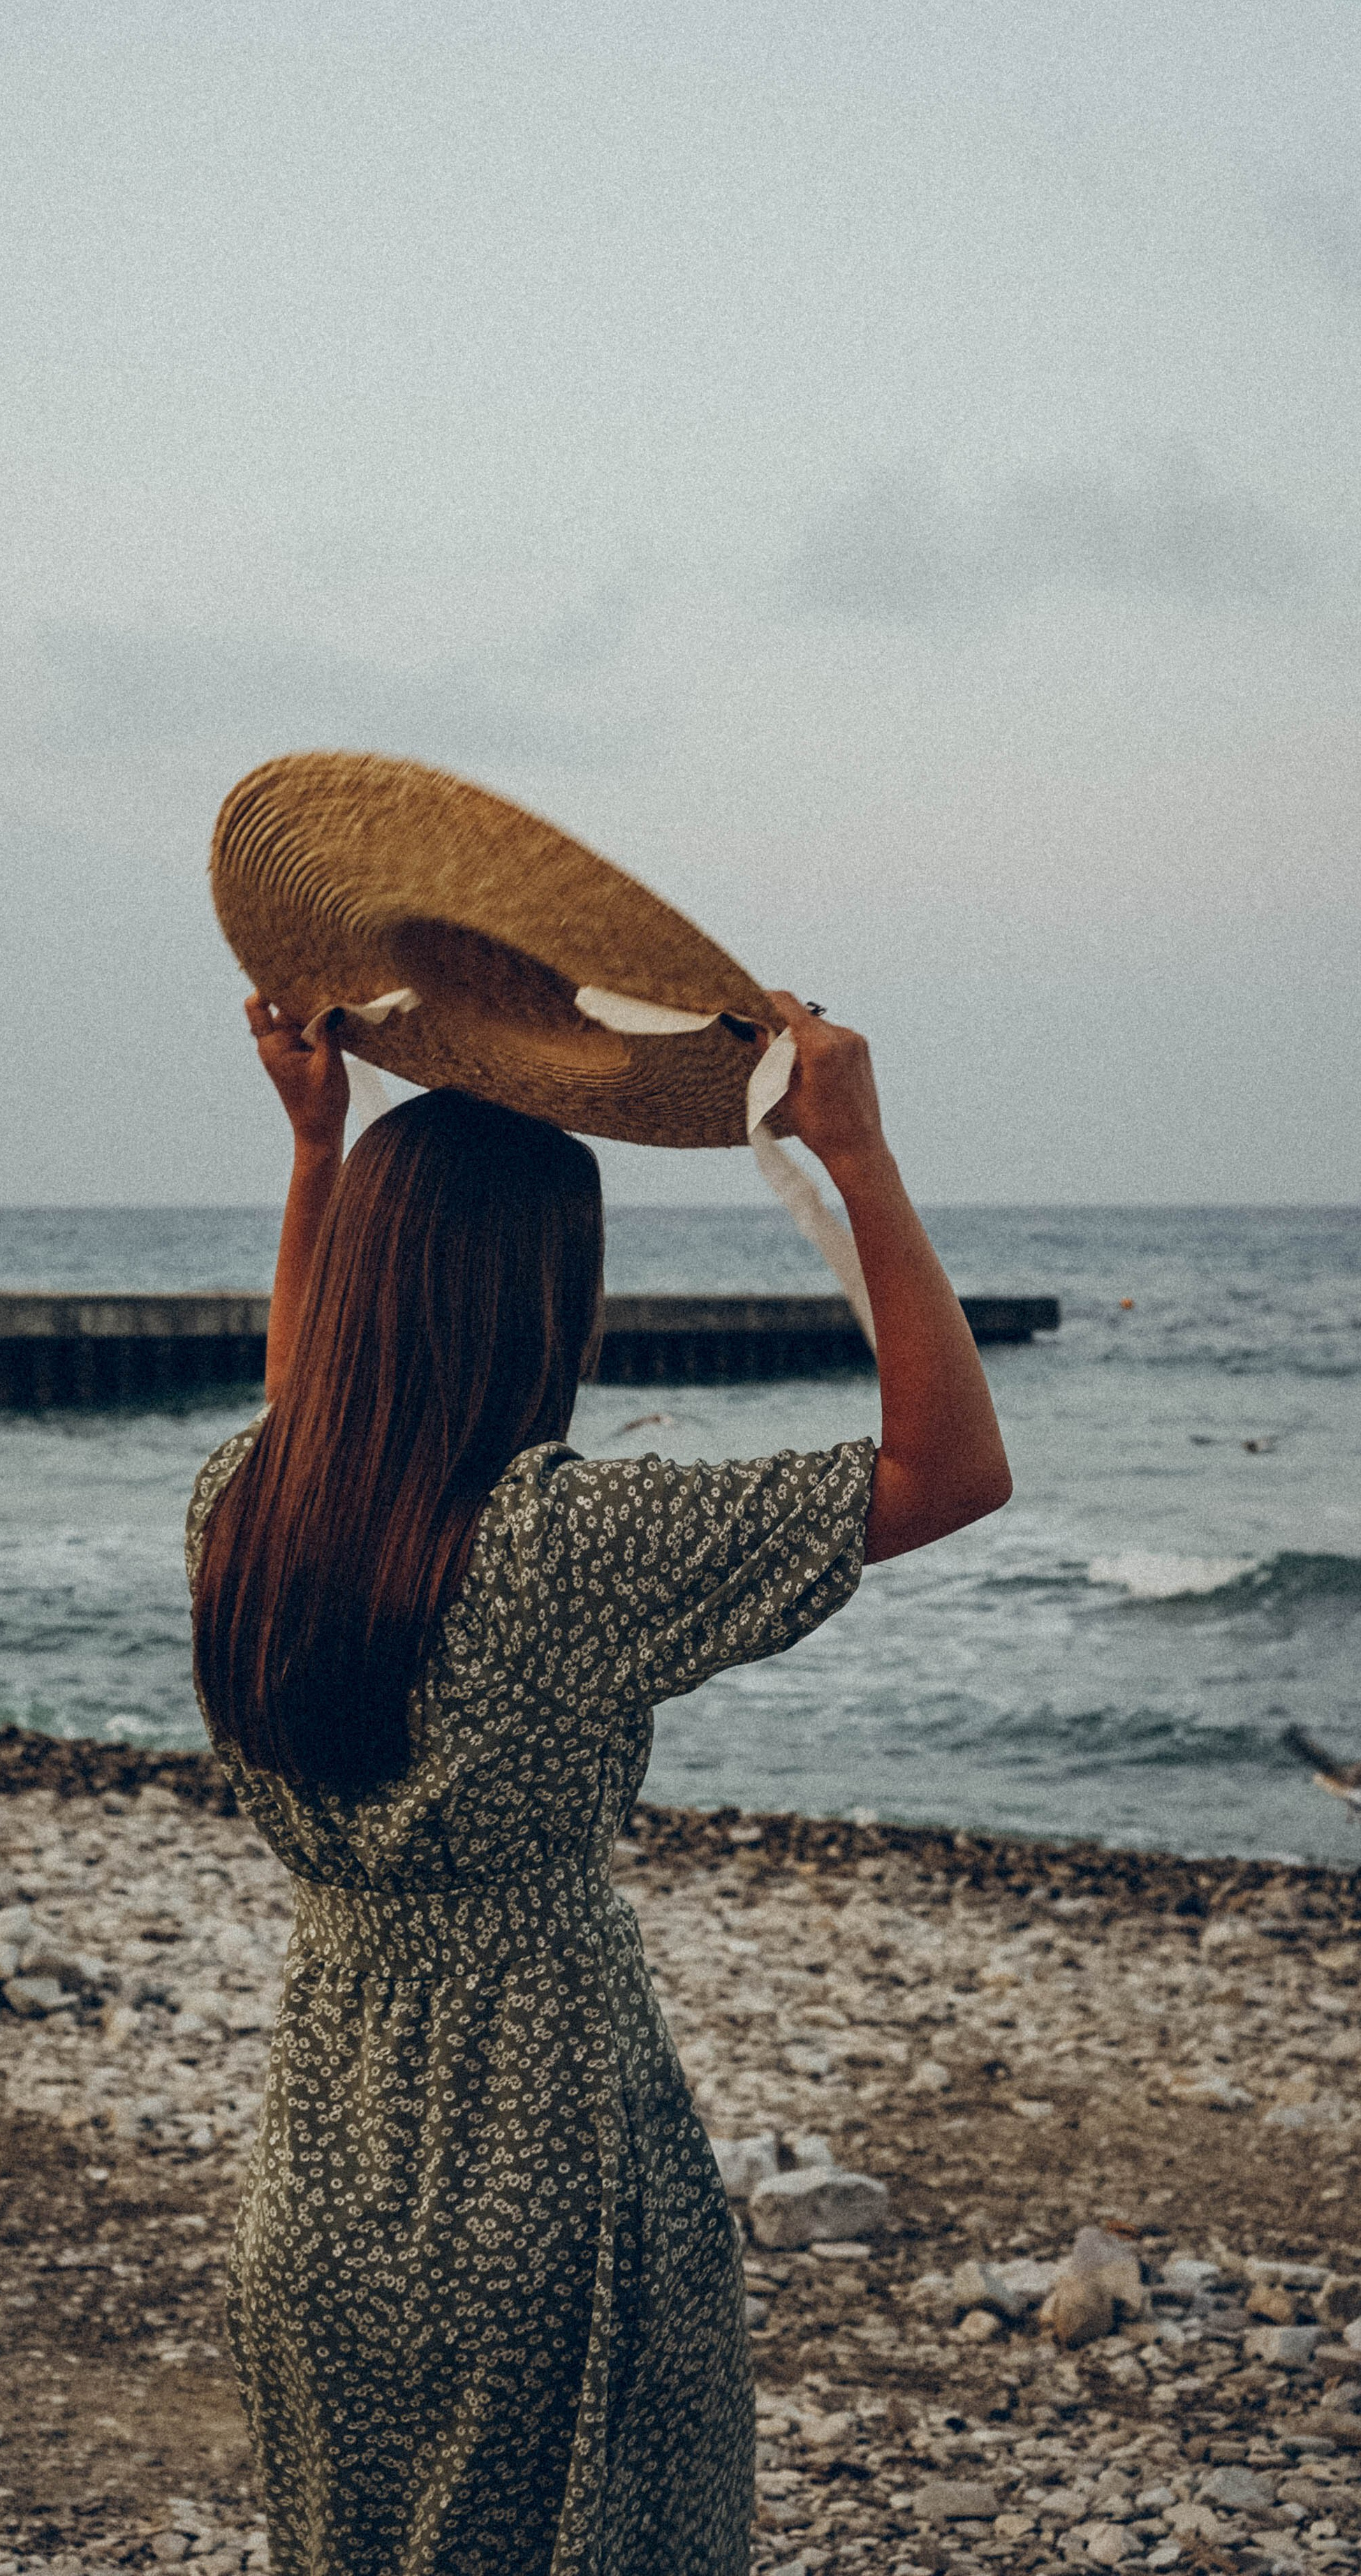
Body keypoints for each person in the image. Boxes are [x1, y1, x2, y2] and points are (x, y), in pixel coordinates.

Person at [186, 990, 1010, 2576]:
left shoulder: (246, 1511)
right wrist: (860, 1160)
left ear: (365, 1280)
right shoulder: (562, 1550)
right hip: (539, 2156)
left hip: (314, 2169)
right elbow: (947, 1472)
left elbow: (308, 1416)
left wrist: (315, 1153)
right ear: (544, 1301)